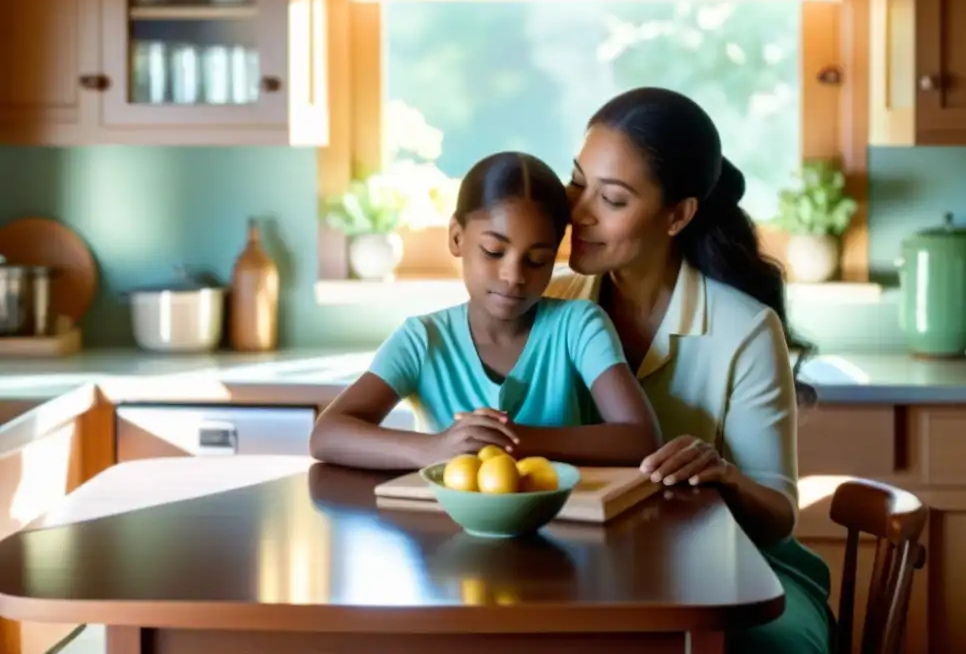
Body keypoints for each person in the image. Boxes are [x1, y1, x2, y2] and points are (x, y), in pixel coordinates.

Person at [546, 87, 833, 653]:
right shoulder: (548, 306)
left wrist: (723, 473)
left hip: (739, 569)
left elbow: (778, 518)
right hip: (582, 563)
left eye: (613, 199)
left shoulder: (744, 329)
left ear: (677, 215)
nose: (578, 211)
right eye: (577, 180)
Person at [309, 152, 661, 470]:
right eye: (494, 252)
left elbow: (640, 438)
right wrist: (434, 448)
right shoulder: (423, 340)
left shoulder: (580, 326)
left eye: (538, 260)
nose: (513, 276)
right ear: (457, 238)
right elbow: (327, 435)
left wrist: (513, 440)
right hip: (445, 533)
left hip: (567, 530)